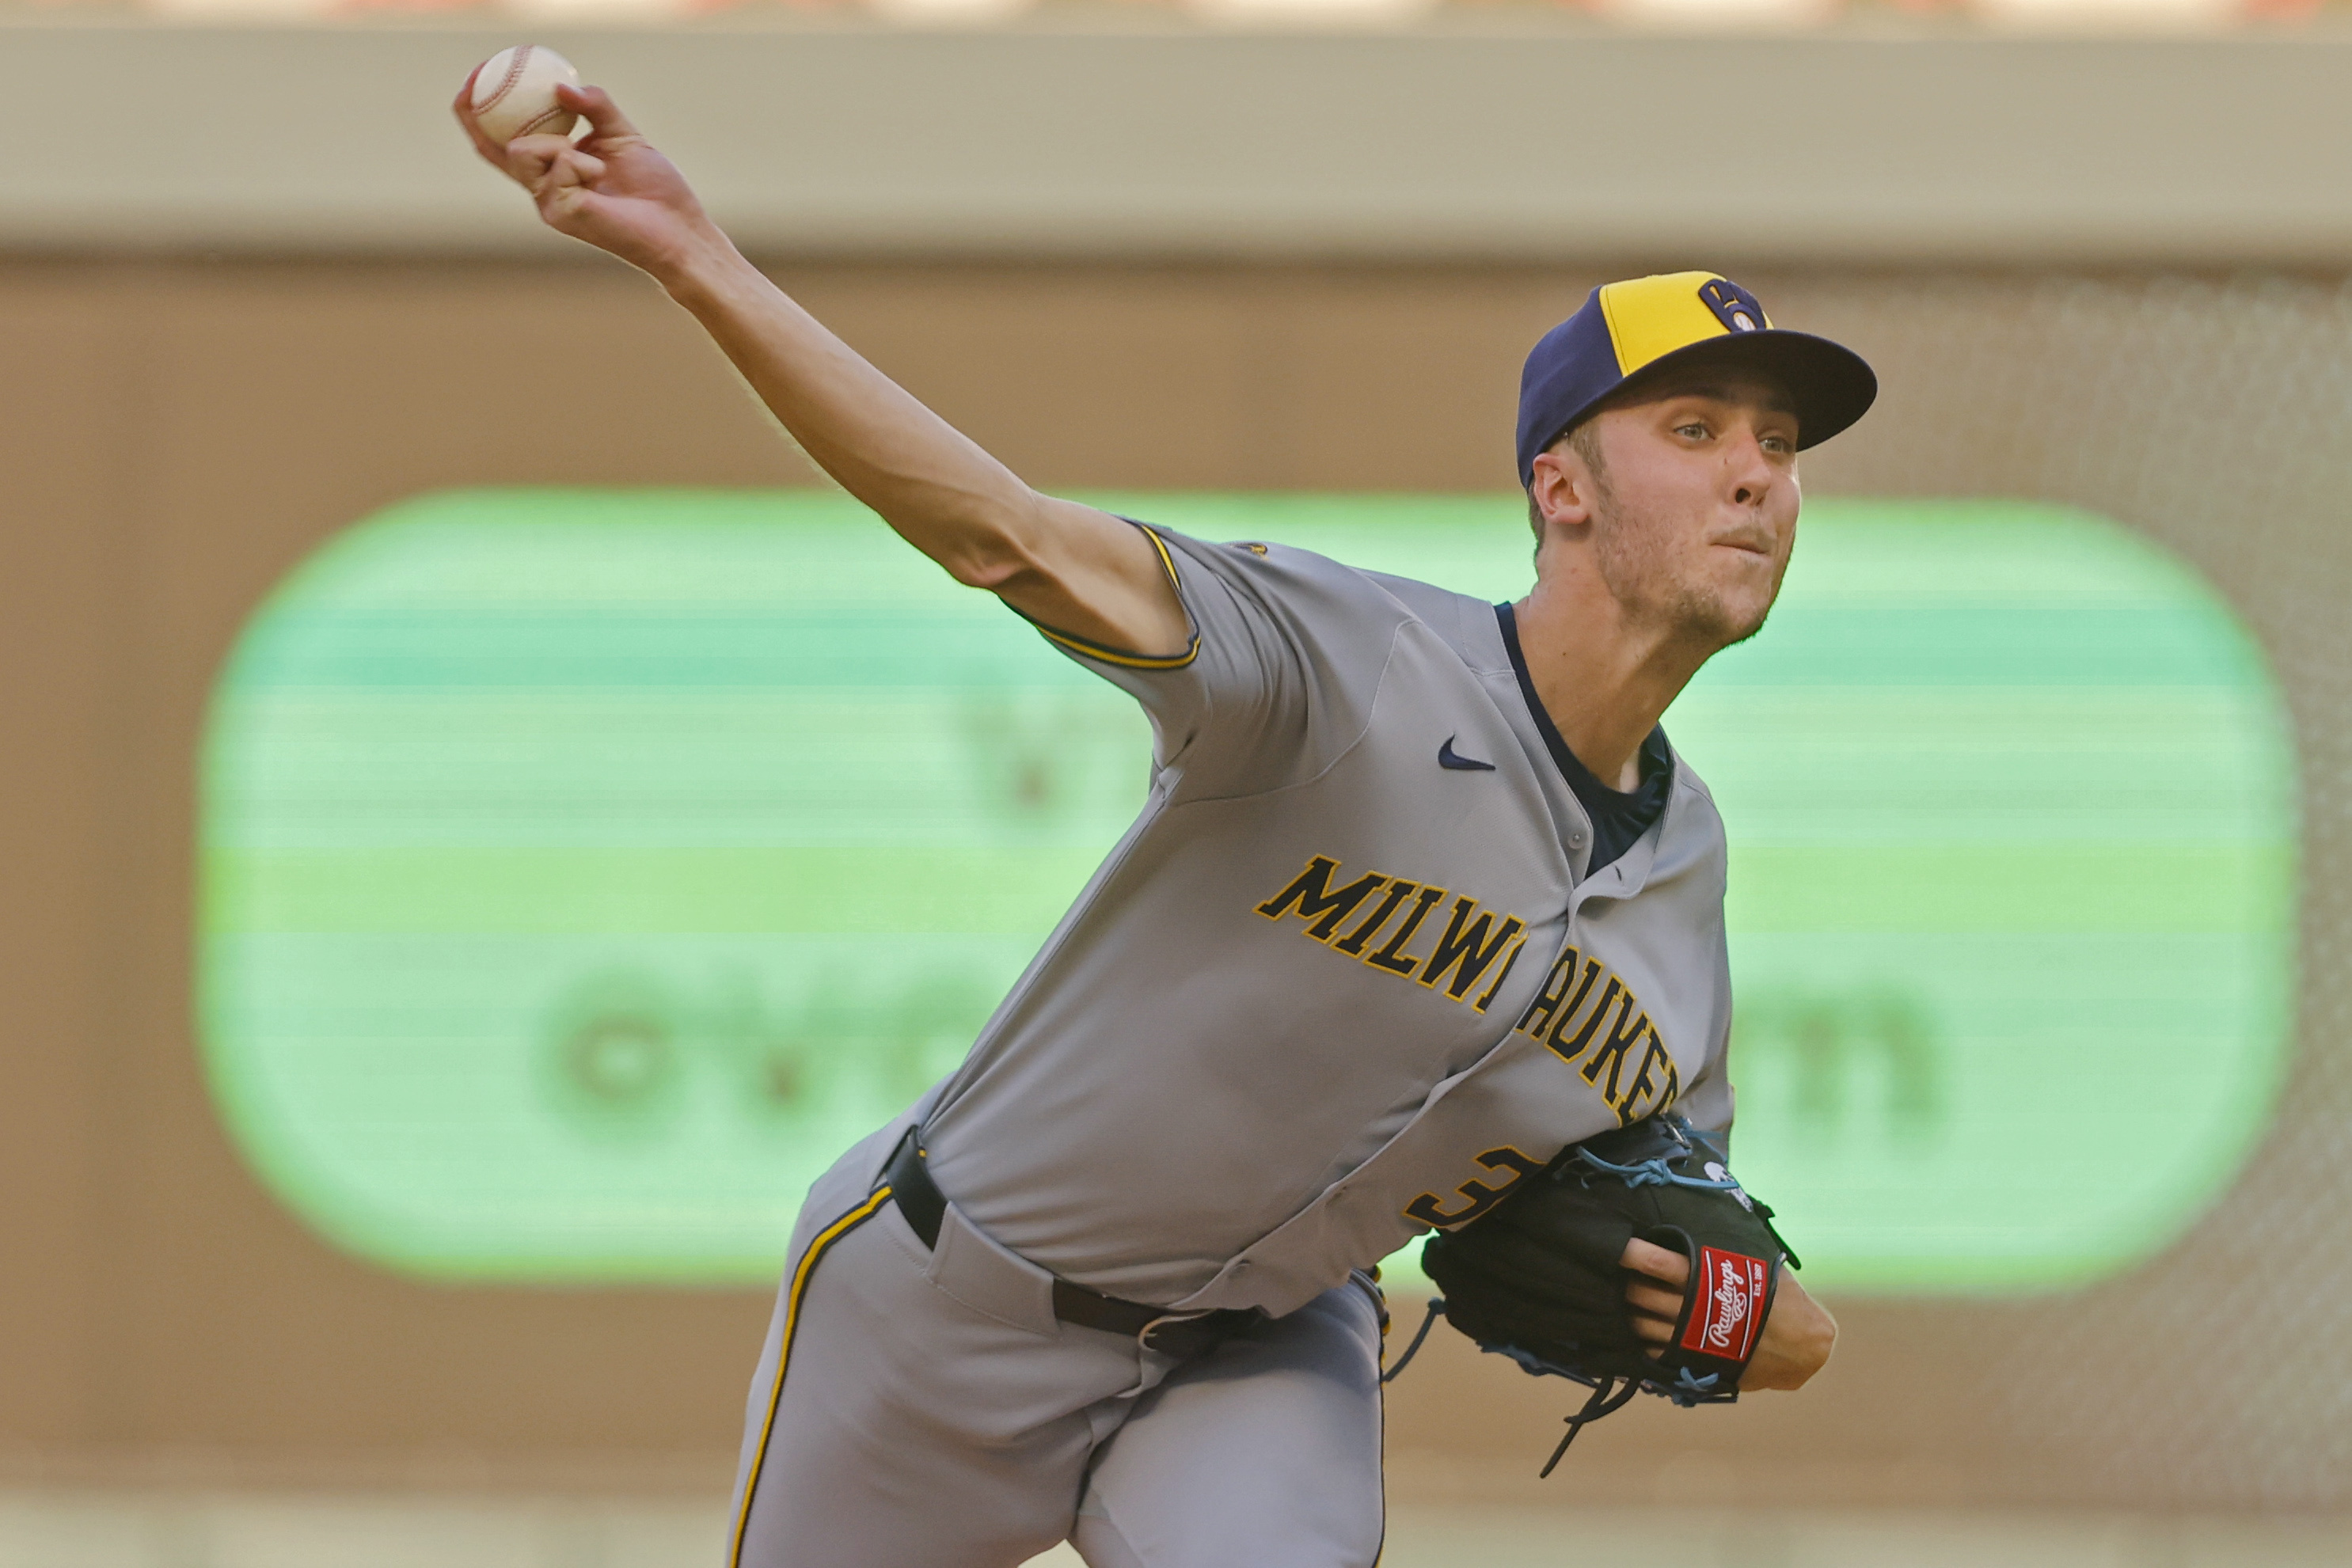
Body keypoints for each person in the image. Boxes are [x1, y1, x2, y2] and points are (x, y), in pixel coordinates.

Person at [456, 74, 1872, 1568]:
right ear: (1560, 486)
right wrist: (695, 256)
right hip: (943, 1312)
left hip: (1257, 1351)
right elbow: (1000, 530)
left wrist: (1775, 1325)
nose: (1754, 478)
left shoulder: (1687, 872)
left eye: (1778, 446)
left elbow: (1686, 1240)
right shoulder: (1348, 663)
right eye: (1699, 426)